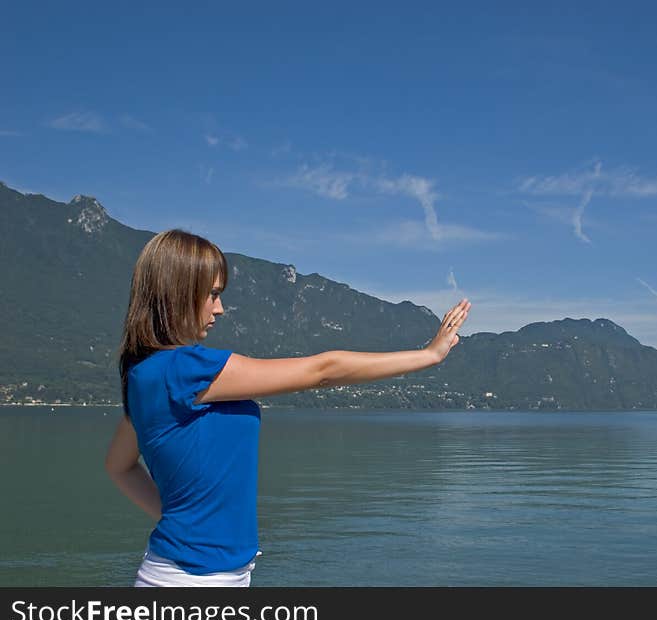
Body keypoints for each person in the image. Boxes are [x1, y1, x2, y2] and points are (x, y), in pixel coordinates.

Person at [105, 228, 471, 587]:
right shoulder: (185, 370)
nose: (220, 307)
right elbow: (323, 371)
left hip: (190, 573)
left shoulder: (143, 375)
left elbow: (118, 466)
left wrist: (176, 518)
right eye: (212, 294)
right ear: (179, 292)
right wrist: (428, 356)